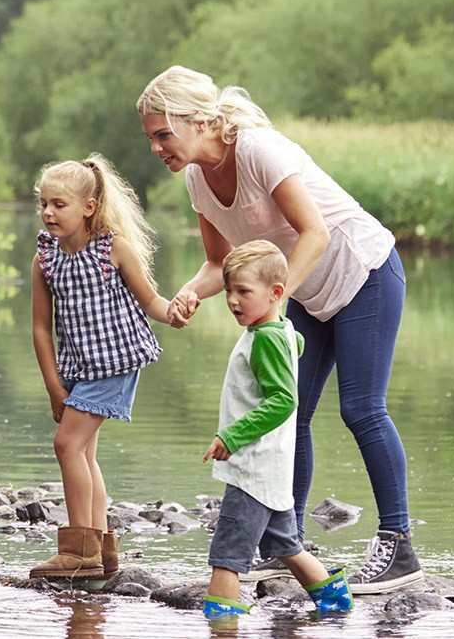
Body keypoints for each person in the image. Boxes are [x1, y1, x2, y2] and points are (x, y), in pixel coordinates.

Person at [138, 65, 424, 593]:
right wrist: (186, 294)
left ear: (199, 121)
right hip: (300, 294)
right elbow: (215, 263)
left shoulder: (257, 150)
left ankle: (398, 545)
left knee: (362, 407)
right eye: (151, 137)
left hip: (364, 272)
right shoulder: (199, 181)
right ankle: (285, 542)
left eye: (162, 134)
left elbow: (314, 232)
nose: (156, 147)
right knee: (290, 413)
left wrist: (276, 300)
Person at [27, 154, 180, 580]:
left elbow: (151, 302)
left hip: (115, 362)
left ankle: (78, 552)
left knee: (66, 445)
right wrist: (53, 387)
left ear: (88, 207)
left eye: (59, 204)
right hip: (76, 367)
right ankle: (101, 549)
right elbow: (41, 329)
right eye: (43, 203)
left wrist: (175, 312)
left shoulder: (112, 249)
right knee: (85, 453)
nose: (48, 212)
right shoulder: (45, 259)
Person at [202, 240, 353, 621]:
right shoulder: (281, 328)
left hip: (253, 470)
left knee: (227, 557)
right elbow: (298, 343)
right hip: (275, 469)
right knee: (286, 545)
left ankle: (222, 624)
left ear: (276, 293)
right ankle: (337, 605)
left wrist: (231, 436)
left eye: (243, 292)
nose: (233, 301)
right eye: (229, 291)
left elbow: (283, 400)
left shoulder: (265, 338)